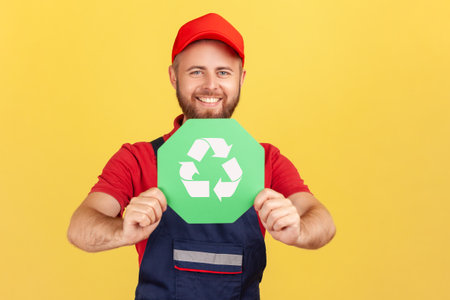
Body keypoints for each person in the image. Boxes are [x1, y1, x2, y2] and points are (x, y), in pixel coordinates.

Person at [67, 13, 336, 300]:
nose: (211, 85)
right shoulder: (137, 158)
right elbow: (80, 227)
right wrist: (123, 231)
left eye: (223, 72)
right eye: (196, 71)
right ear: (174, 76)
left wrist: (299, 231)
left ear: (241, 79)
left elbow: (323, 222)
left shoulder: (266, 160)